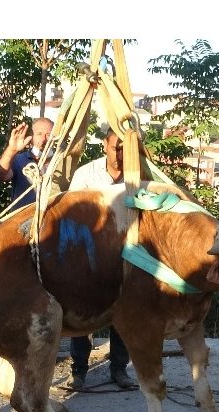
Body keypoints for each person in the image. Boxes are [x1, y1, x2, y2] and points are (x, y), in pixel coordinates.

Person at [64, 129, 136, 390]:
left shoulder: (138, 176)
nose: (119, 154)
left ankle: (119, 369)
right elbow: (70, 211)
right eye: (115, 146)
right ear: (104, 144)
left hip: (125, 253)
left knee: (123, 312)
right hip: (89, 253)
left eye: (124, 149)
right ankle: (79, 371)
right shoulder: (86, 174)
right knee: (85, 311)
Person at [0, 117, 54, 213]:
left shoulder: (62, 161)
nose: (43, 139)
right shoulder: (18, 160)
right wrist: (12, 150)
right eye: (39, 134)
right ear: (31, 137)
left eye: (48, 135)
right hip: (23, 221)